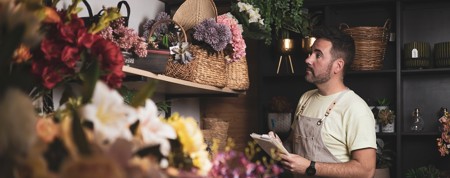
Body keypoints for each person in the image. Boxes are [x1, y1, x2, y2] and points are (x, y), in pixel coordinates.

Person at [270, 27, 376, 177]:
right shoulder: (305, 98)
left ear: (338, 66)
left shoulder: (355, 108)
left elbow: (366, 171)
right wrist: (277, 146)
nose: (308, 60)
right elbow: (295, 143)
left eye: (318, 55)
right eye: (311, 53)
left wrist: (309, 167)